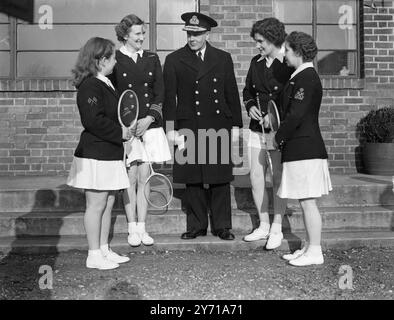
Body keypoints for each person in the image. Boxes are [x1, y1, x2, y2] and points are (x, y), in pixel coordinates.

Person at [163, 12, 243, 240]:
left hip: (218, 124)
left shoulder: (222, 58)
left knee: (219, 177)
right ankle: (196, 226)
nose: (192, 38)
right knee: (193, 178)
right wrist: (170, 129)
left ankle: (222, 226)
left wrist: (236, 126)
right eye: (189, 33)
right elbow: (170, 99)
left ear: (207, 34)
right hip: (189, 125)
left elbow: (231, 93)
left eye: (197, 34)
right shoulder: (174, 59)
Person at [67, 37, 131, 270]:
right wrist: (121, 133)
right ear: (102, 60)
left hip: (109, 151)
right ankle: (93, 255)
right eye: (113, 58)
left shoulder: (104, 82)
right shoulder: (91, 85)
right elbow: (93, 120)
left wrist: (122, 133)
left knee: (109, 201)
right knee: (95, 204)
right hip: (95, 152)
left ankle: (104, 249)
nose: (115, 62)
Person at [109, 14, 171, 247]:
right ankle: (131, 227)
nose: (142, 38)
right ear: (125, 35)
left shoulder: (152, 58)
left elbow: (160, 92)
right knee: (130, 178)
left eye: (143, 33)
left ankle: (142, 227)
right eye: (137, 34)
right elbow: (113, 94)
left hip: (149, 126)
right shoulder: (115, 59)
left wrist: (149, 118)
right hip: (127, 128)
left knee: (145, 177)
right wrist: (126, 125)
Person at [273, 31, 332, 266]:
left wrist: (277, 137)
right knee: (305, 201)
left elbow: (295, 114)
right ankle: (308, 246)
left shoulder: (306, 77)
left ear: (297, 51)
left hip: (305, 149)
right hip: (301, 149)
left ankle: (315, 251)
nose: (284, 55)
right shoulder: (300, 75)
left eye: (287, 50)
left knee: (308, 202)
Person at [242, 18, 293, 249]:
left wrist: (272, 117)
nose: (257, 46)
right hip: (256, 129)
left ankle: (277, 226)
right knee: (255, 175)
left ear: (273, 39)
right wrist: (250, 104)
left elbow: (291, 99)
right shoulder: (256, 62)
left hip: (277, 131)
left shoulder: (289, 62)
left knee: (278, 177)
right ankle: (262, 225)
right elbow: (247, 89)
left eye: (261, 41)